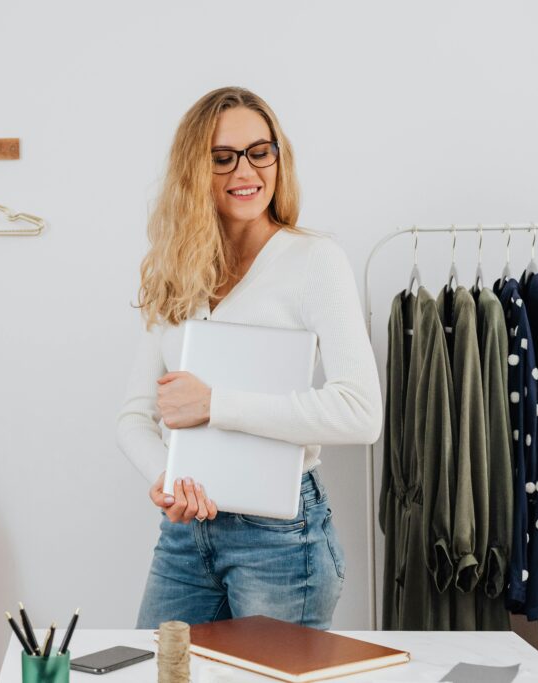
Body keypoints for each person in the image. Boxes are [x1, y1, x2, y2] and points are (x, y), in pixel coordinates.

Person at [116, 86, 382, 630]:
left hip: (281, 542)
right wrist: (166, 479)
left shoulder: (314, 261)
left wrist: (216, 405)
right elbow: (132, 417)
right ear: (194, 170)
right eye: (223, 157)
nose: (247, 170)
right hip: (185, 536)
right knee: (157, 672)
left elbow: (361, 412)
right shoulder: (174, 270)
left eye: (261, 151)